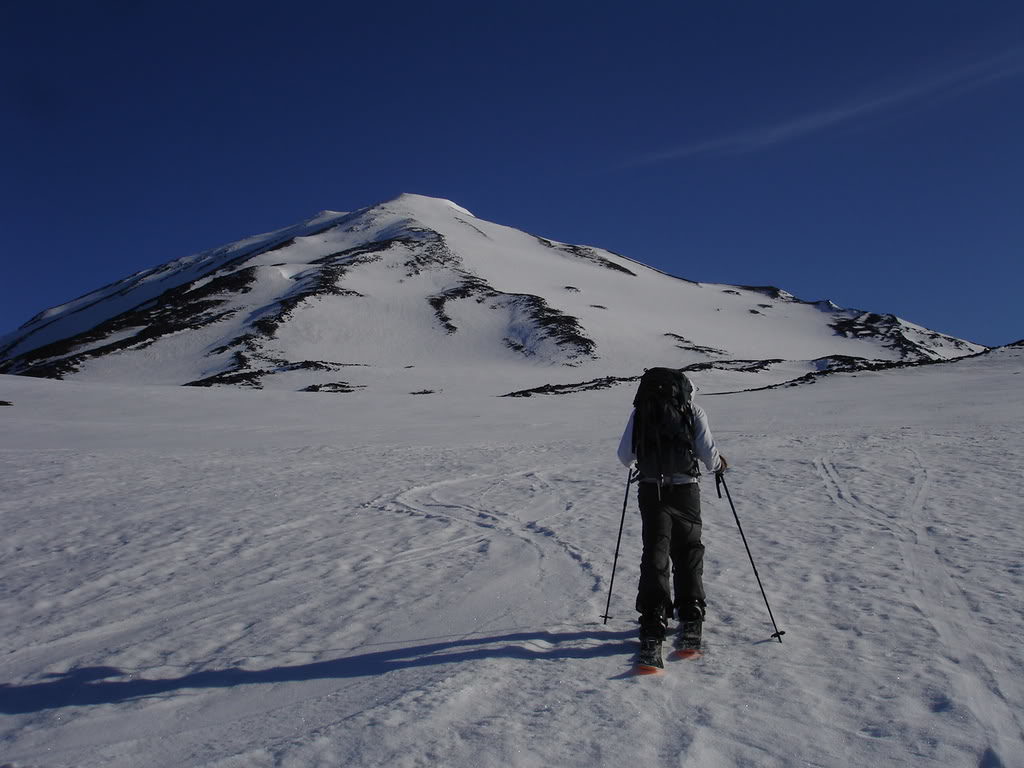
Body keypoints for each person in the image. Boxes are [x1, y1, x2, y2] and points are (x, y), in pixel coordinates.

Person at [617, 375, 727, 648]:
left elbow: (624, 456)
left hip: (650, 489)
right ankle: (690, 608)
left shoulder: (641, 411)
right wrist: (720, 465)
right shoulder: (693, 410)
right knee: (688, 547)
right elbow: (706, 453)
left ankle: (654, 614)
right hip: (686, 489)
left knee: (655, 548)